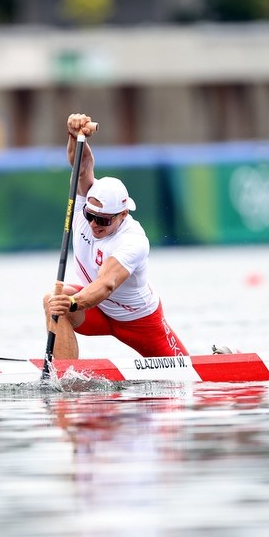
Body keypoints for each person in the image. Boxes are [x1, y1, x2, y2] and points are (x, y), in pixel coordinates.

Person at [44, 113, 189, 359]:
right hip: (99, 312)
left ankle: (225, 359)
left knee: (188, 374)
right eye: (90, 216)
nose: (93, 224)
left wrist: (75, 303)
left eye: (103, 220)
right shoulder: (86, 204)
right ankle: (63, 377)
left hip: (139, 321)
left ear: (122, 214)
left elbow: (106, 284)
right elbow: (82, 166)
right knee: (54, 300)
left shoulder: (133, 240)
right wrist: (73, 134)